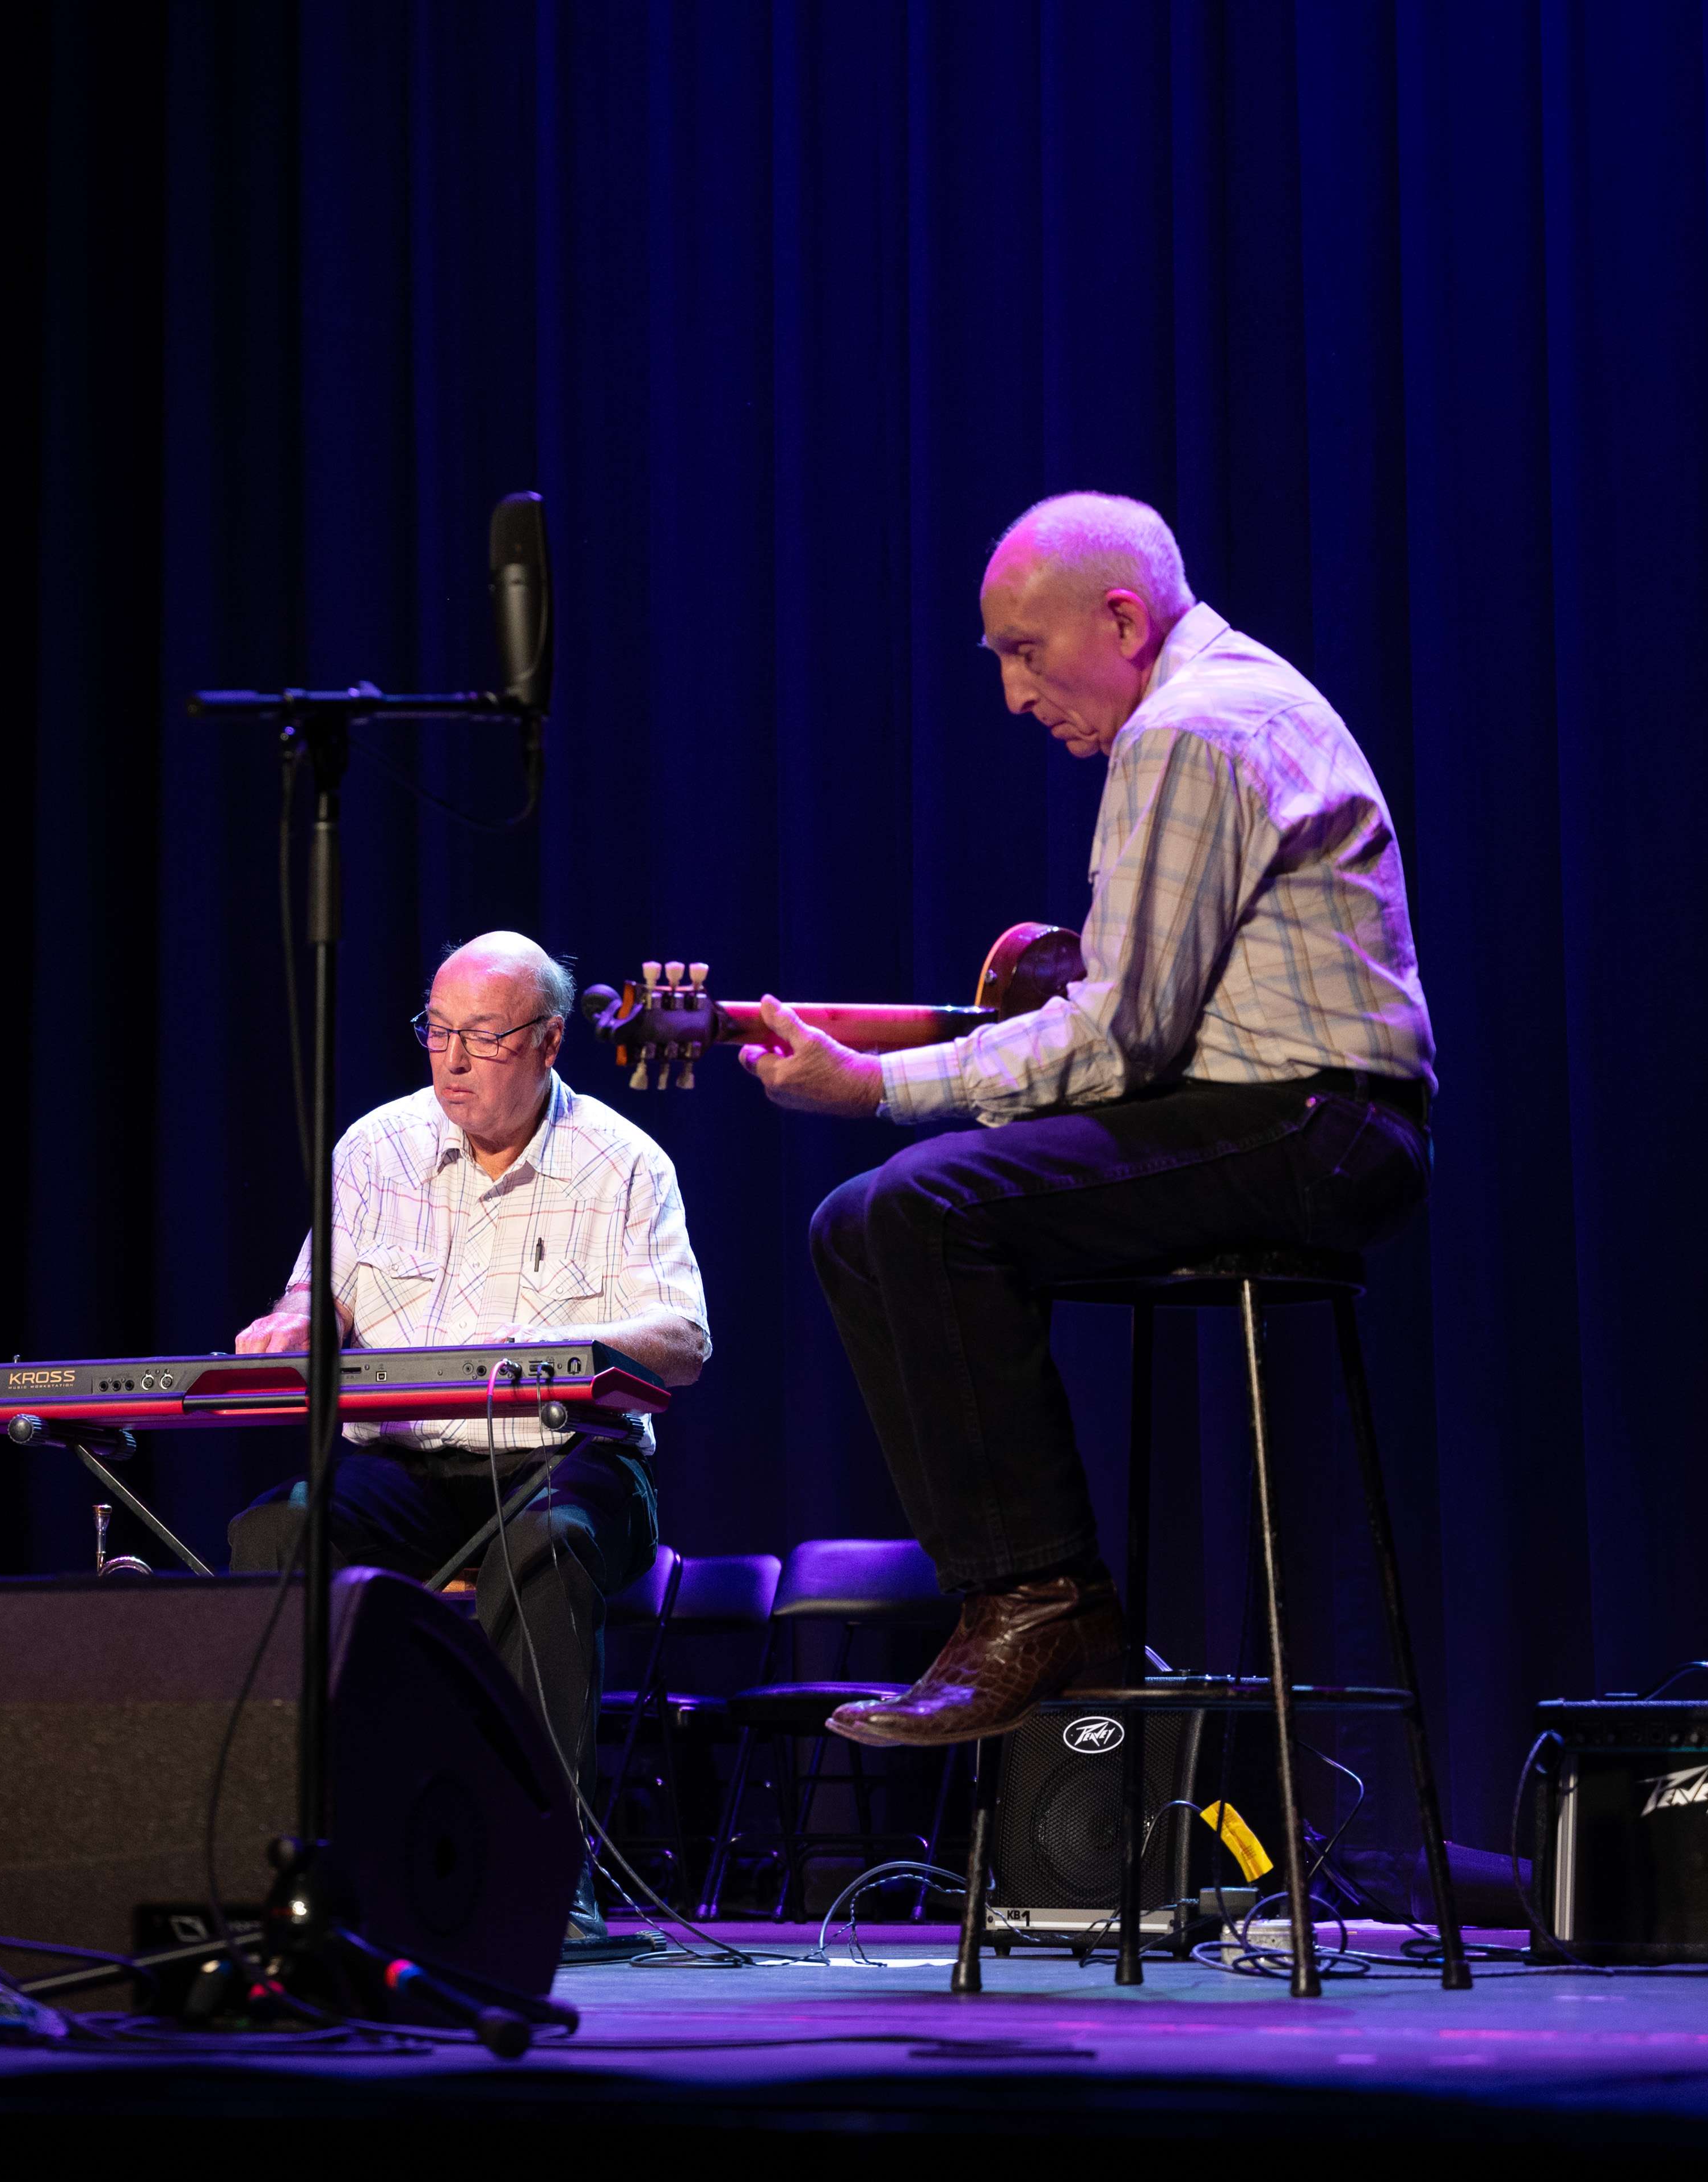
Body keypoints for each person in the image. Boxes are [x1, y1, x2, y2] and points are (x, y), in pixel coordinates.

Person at [737, 493, 1435, 1748]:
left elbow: (1121, 1037)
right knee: (865, 1224)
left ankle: (1038, 1600)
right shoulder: (1211, 705)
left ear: (1120, 619)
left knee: (910, 1211)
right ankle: (1037, 1601)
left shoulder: (1185, 730)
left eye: (1025, 651)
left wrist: (873, 1088)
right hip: (1274, 1115)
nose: (1012, 694)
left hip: (1316, 1127)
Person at [225, 931, 710, 1954]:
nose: (448, 1060)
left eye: (478, 1039)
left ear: (545, 1042)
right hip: (406, 1465)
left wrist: (542, 1350)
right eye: (435, 1031)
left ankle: (546, 1871)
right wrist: (290, 1324)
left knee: (547, 1544)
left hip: (564, 1458)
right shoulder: (372, 1147)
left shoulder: (623, 1162)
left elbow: (682, 1339)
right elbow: (319, 1295)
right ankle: (305, 1853)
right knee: (277, 1533)